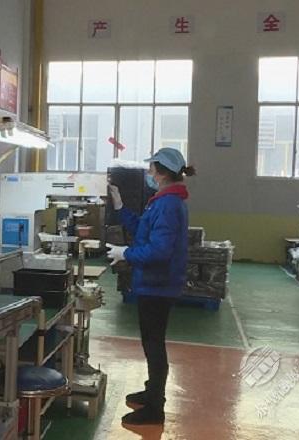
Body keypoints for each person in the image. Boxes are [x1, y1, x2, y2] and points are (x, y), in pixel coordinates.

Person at [106, 147, 196, 426]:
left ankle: (155, 408)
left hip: (158, 285)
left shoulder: (168, 205)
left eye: (151, 168)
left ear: (161, 172)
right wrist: (120, 206)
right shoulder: (163, 201)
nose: (148, 172)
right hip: (154, 284)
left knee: (154, 344)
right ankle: (151, 391)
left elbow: (159, 251)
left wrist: (126, 253)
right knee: (151, 342)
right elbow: (142, 228)